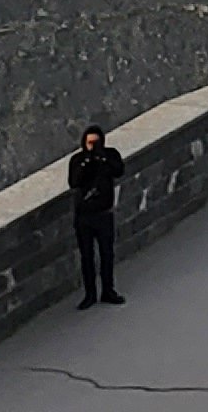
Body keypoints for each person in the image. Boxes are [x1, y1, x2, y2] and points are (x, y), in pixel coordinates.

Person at [68, 126, 128, 307]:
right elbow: (74, 182)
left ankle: (108, 290)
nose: (92, 146)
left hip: (104, 214)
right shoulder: (77, 159)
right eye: (89, 143)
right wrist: (87, 161)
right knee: (87, 256)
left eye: (96, 142)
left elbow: (119, 170)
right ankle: (90, 294)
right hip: (84, 217)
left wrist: (102, 158)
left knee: (107, 254)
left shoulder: (110, 155)